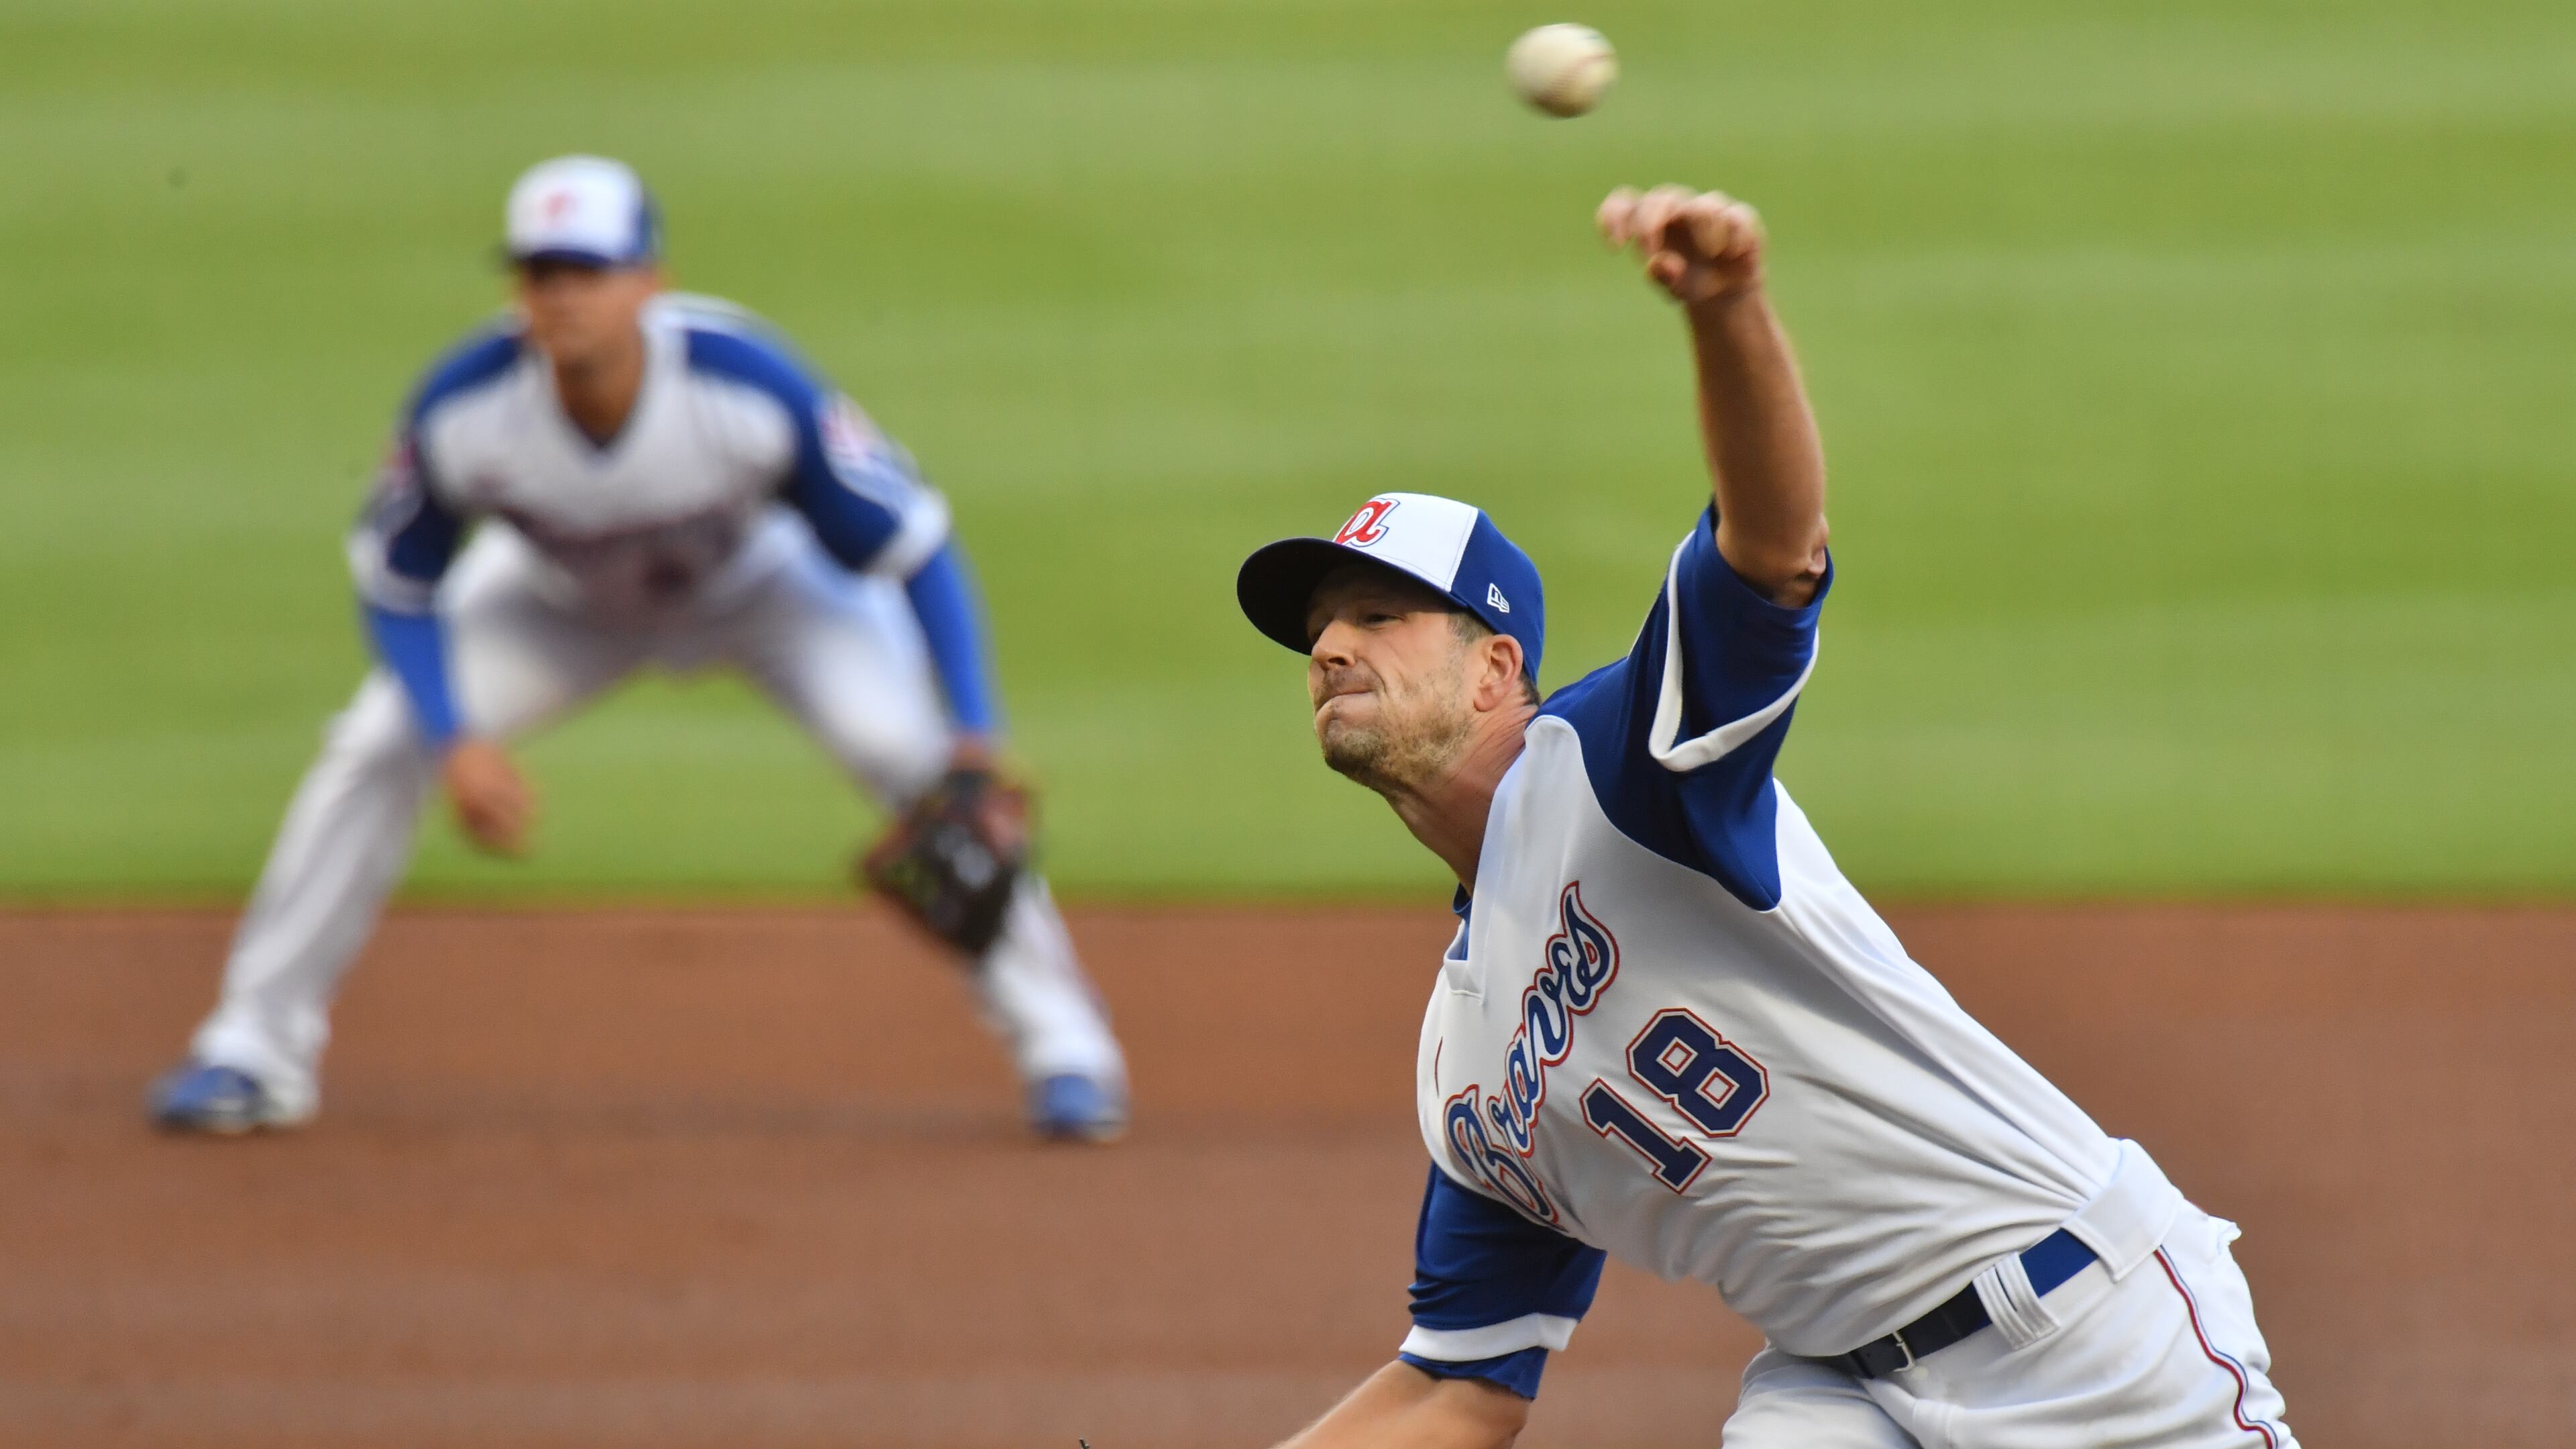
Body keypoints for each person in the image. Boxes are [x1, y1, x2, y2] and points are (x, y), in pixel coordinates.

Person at [1231, 185, 2295, 1446]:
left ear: (1495, 670)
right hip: (1843, 1388)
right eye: (1319, 633)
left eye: (1379, 618)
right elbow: (1457, 1383)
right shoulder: (1464, 1060)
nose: (1333, 649)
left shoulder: (1623, 769)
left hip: (2084, 1326)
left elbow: (1773, 553)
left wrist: (1727, 310)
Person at [150, 156, 1128, 1143]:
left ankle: (1067, 1050)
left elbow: (917, 547)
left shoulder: (745, 384)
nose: (564, 296)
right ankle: (253, 1048)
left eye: (588, 270)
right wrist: (455, 741)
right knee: (374, 745)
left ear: (648, 280)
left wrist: (973, 730)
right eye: (542, 273)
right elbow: (398, 587)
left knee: (914, 763)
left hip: (768, 590)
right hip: (555, 604)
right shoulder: (464, 407)